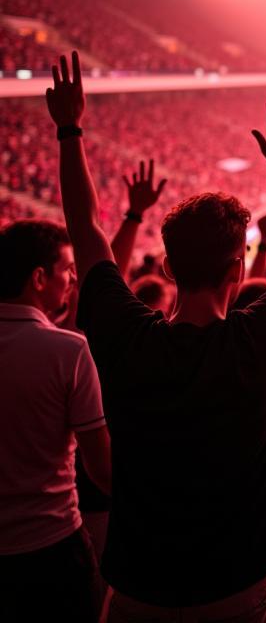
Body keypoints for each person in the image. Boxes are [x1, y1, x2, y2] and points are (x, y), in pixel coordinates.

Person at [46, 52, 266, 621]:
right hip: (240, 589)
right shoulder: (256, 339)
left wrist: (70, 132)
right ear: (238, 272)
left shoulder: (127, 334)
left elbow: (87, 232)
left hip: (139, 590)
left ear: (168, 268)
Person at [0, 219, 110, 623]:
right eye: (67, 270)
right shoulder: (67, 350)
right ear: (39, 278)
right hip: (55, 546)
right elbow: (103, 470)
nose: (72, 280)